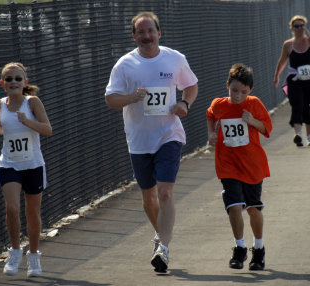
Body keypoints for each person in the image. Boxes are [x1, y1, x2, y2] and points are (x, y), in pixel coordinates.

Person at [105, 12, 198, 273]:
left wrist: (184, 103)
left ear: (159, 33)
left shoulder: (174, 58)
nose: (147, 37)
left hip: (169, 134)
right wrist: (131, 97)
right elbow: (110, 100)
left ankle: (163, 250)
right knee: (148, 198)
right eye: (141, 32)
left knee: (165, 192)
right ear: (134, 36)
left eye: (151, 31)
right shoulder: (125, 65)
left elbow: (191, 85)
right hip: (138, 140)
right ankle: (161, 237)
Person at [0, 62, 52, 277]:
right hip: (9, 163)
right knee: (12, 207)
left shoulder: (32, 103)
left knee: (32, 213)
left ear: (25, 83)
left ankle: (33, 256)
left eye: (18, 79)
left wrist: (27, 122)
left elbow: (48, 130)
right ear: (3, 84)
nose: (14, 82)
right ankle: (14, 251)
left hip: (32, 164)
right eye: (9, 79)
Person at [207, 63, 272, 271]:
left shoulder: (254, 104)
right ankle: (240, 247)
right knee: (234, 206)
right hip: (228, 165)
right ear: (227, 85)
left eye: (243, 92)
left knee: (253, 208)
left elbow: (267, 128)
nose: (238, 96)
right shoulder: (219, 104)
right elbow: (210, 114)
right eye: (234, 90)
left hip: (252, 166)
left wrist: (252, 121)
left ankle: (259, 249)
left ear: (250, 90)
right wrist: (211, 132)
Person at [274, 15, 310, 147]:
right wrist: (277, 75)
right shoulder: (288, 45)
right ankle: (298, 135)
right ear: (292, 28)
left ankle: (309, 136)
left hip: (309, 81)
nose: (299, 28)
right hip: (295, 80)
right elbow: (282, 61)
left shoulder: (309, 41)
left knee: (308, 107)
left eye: (302, 26)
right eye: (296, 26)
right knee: (297, 105)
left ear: (305, 27)